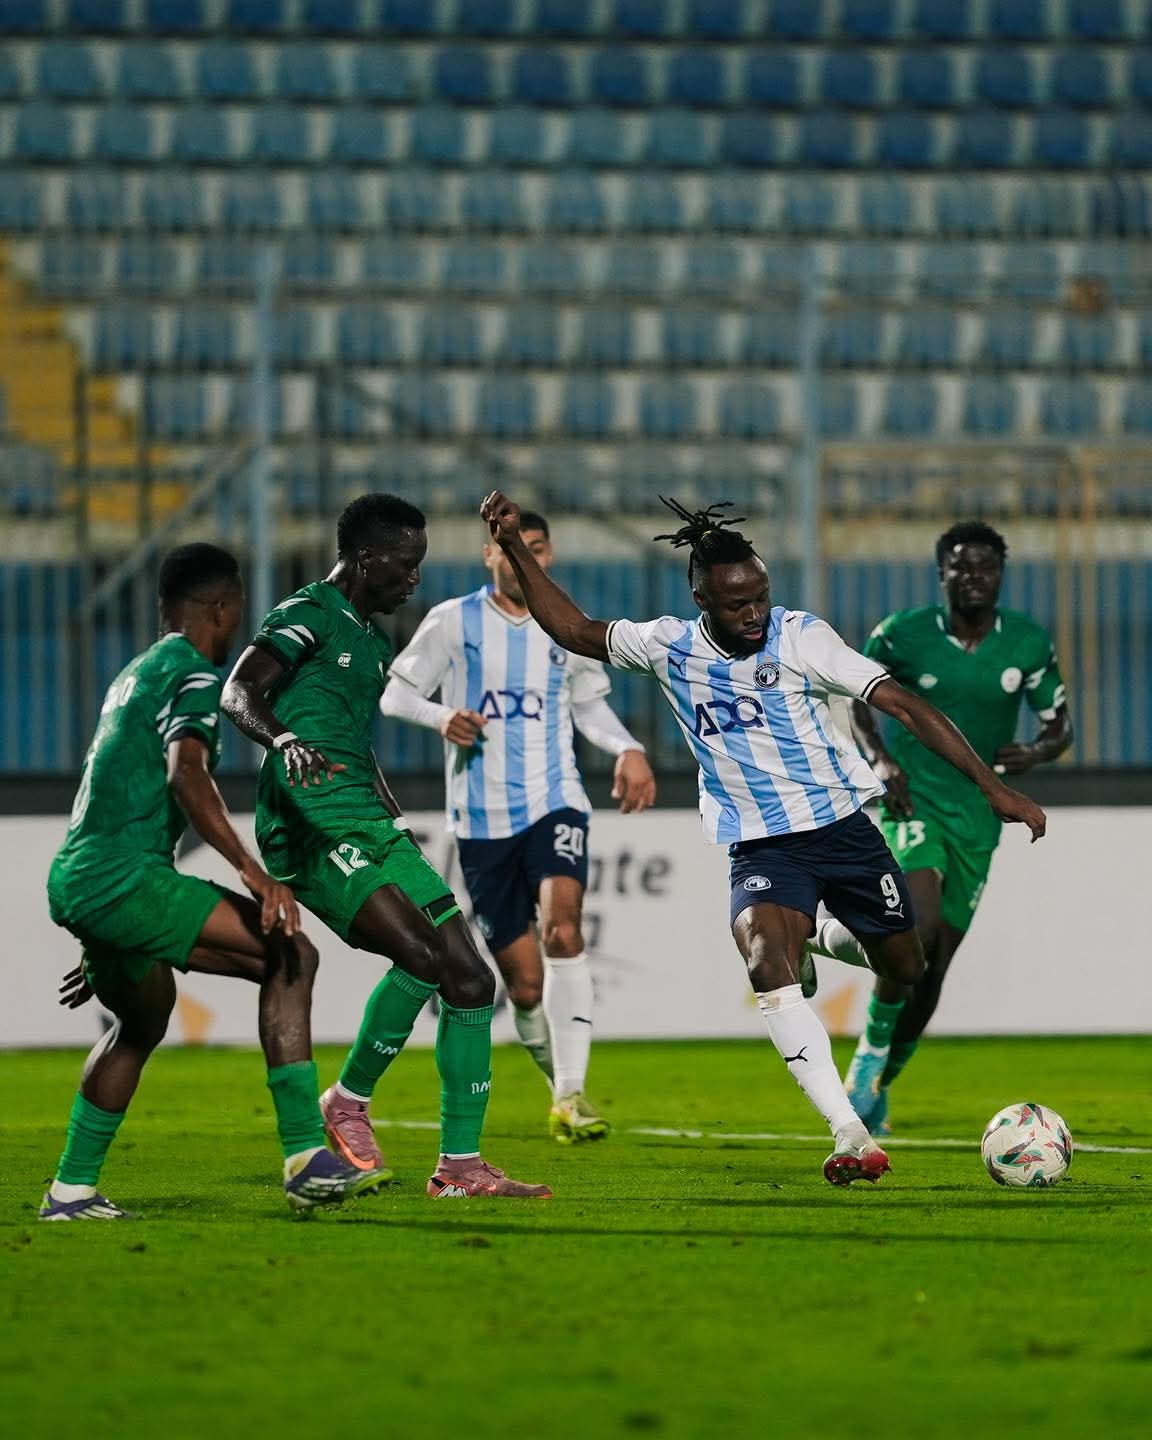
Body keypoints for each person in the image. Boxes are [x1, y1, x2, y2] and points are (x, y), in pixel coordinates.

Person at [478, 491, 1047, 1186]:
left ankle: (817, 935)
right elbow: (571, 628)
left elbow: (900, 702)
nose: (753, 615)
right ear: (702, 599)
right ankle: (849, 1130)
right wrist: (511, 545)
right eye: (736, 605)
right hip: (762, 847)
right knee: (760, 957)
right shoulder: (668, 648)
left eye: (760, 598)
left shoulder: (801, 635)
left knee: (906, 965)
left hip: (844, 833)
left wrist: (993, 786)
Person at [221, 494, 550, 1199]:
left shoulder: (371, 643)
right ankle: (347, 1104)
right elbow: (238, 692)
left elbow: (351, 734)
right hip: (308, 825)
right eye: (407, 565)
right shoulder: (306, 615)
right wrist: (281, 741)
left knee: (470, 977)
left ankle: (459, 1167)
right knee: (422, 955)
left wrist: (391, 812)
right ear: (368, 559)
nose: (414, 579)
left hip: (368, 822)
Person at [43, 543, 383, 1220]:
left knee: (141, 1023)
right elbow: (186, 773)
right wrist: (254, 873)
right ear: (223, 608)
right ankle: (302, 1156)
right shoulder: (196, 674)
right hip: (123, 880)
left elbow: (111, 786)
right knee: (291, 954)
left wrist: (98, 921)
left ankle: (70, 1191)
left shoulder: (134, 675)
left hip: (84, 878)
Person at [380, 510, 656, 1143]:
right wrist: (441, 717)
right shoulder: (453, 620)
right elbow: (395, 696)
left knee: (564, 928)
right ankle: (557, 1089)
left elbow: (588, 704)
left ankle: (573, 1093)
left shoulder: (565, 624)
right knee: (525, 985)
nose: (520, 558)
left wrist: (629, 749)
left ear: (548, 554)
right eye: (509, 549)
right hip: (480, 820)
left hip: (554, 800)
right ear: (489, 555)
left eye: (532, 548)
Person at [843, 521, 1072, 1133]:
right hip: (913, 802)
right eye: (961, 567)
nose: (974, 577)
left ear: (1001, 573)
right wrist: (881, 758)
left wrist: (1039, 751)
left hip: (979, 816)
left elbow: (1060, 724)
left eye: (986, 567)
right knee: (915, 925)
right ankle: (866, 1057)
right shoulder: (901, 634)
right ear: (942, 572)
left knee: (933, 966)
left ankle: (884, 1081)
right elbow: (858, 700)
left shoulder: (1025, 643)